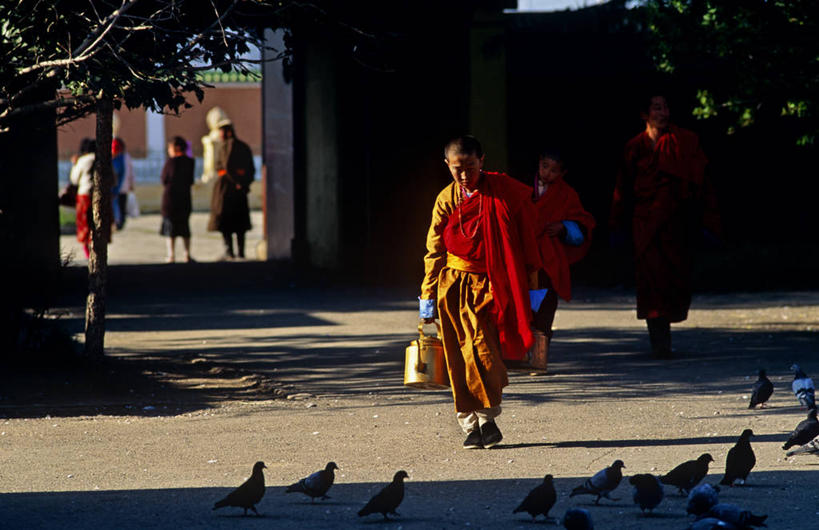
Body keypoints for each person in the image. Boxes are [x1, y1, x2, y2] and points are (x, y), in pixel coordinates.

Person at [419, 135, 542, 450]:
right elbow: (434, 250)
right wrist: (427, 298)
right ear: (447, 165)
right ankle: (471, 424)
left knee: (483, 351)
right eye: (457, 168)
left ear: (482, 161)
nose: (464, 175)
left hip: (491, 283)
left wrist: (533, 288)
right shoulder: (446, 199)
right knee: (458, 356)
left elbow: (528, 238)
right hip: (453, 284)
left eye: (470, 167)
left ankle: (487, 417)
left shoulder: (504, 193)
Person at [610, 94, 720, 356]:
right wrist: (616, 225)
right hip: (644, 224)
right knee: (650, 282)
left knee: (674, 280)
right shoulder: (634, 147)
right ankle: (658, 342)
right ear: (645, 114)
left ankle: (664, 335)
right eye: (657, 107)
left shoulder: (684, 142)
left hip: (675, 224)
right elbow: (622, 189)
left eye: (666, 106)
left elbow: (702, 184)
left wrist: (708, 221)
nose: (663, 112)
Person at [530, 149, 595, 346]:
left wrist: (563, 227)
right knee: (521, 306)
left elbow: (583, 223)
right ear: (539, 162)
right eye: (544, 167)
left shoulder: (567, 194)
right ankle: (519, 355)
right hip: (524, 256)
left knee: (545, 307)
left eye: (554, 170)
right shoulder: (522, 188)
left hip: (549, 260)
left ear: (562, 174)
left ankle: (540, 356)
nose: (547, 173)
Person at [207, 120, 255, 259]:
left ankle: (235, 252)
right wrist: (242, 183)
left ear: (228, 131)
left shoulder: (233, 147)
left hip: (230, 191)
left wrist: (239, 181)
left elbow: (229, 167)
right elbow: (219, 167)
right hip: (230, 189)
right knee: (231, 223)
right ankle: (234, 252)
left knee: (233, 223)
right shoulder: (227, 147)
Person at [160, 136, 195, 263]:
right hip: (185, 198)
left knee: (171, 229)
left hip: (170, 199)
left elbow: (164, 178)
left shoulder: (171, 162)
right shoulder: (190, 162)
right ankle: (187, 254)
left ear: (176, 147)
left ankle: (171, 255)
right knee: (185, 227)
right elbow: (190, 180)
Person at [69, 138, 96, 259]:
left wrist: (75, 165)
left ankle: (88, 255)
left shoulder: (83, 160)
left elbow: (74, 179)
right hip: (99, 195)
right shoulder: (103, 159)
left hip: (84, 195)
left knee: (84, 225)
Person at [112, 137, 135, 230]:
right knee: (117, 204)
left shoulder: (124, 157)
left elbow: (128, 172)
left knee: (121, 204)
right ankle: (117, 221)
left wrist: (131, 183)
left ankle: (120, 221)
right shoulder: (118, 157)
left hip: (122, 186)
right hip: (118, 186)